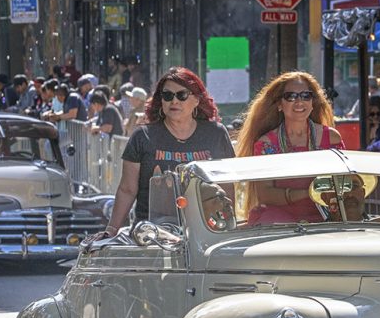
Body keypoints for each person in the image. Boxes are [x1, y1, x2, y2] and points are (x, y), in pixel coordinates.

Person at [101, 66, 234, 233]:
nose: (174, 101)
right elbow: (127, 190)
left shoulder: (216, 133)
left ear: (197, 100)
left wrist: (229, 228)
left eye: (182, 95)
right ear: (161, 100)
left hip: (206, 230)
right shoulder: (142, 137)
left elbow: (227, 186)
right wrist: (111, 230)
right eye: (167, 95)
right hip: (151, 235)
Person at [236, 71, 344, 224]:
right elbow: (265, 194)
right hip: (280, 220)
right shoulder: (267, 144)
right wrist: (308, 193)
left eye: (306, 96)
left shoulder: (332, 138)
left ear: (313, 102)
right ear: (279, 104)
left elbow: (343, 183)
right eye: (291, 96)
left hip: (326, 217)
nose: (299, 101)